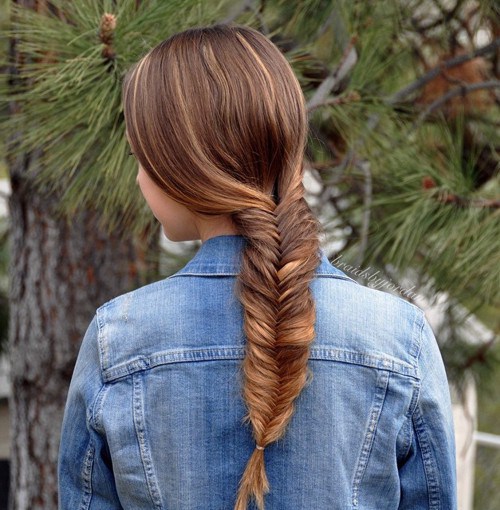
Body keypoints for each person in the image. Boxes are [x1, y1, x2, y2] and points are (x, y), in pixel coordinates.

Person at [57, 22, 457, 510]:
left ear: (183, 166)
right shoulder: (398, 339)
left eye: (142, 157)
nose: (140, 178)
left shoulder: (118, 339)